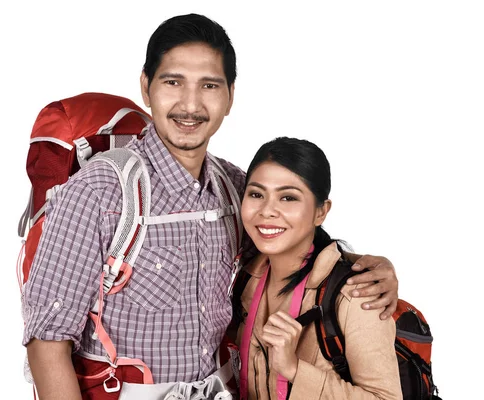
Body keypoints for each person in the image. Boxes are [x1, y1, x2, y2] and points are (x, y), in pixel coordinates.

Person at [22, 13, 399, 400]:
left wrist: (371, 267)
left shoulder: (236, 189)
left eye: (209, 85)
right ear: (146, 87)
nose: (191, 104)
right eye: (173, 82)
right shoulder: (98, 193)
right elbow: (47, 343)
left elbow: (294, 248)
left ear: (230, 96)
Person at [235, 137, 402, 399]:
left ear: (320, 212)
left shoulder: (356, 294)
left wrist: (294, 369)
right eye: (256, 194)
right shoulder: (244, 277)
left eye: (288, 197)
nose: (267, 211)